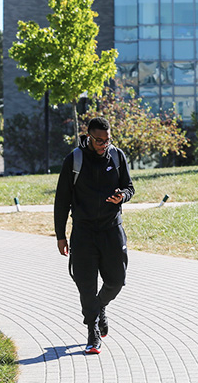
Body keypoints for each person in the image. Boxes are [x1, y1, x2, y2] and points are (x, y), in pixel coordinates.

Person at [54, 116, 135, 355]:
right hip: (84, 232)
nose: (103, 145)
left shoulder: (117, 156)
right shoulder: (74, 160)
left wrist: (123, 196)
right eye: (99, 140)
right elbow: (62, 201)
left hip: (112, 229)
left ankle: (99, 309)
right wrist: (61, 235)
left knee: (117, 280)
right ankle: (93, 332)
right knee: (86, 285)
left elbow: (129, 187)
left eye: (107, 140)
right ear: (88, 136)